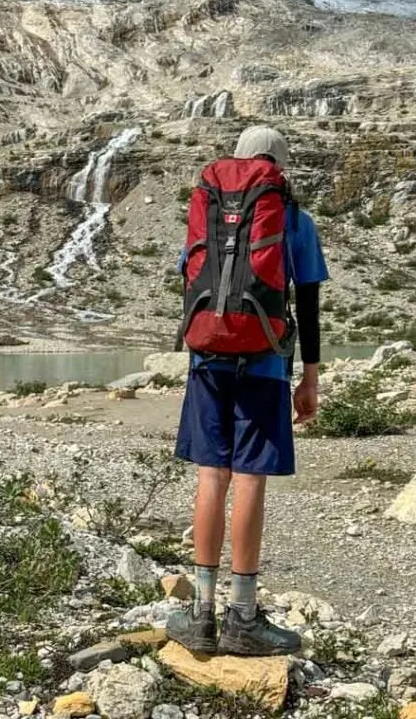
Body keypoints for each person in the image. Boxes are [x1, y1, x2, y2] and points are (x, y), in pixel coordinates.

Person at [167, 126, 328, 656]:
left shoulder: (208, 208)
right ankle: (243, 616)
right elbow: (306, 303)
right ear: (279, 167)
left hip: (206, 359)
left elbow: (189, 280)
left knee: (211, 475)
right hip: (263, 362)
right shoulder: (293, 219)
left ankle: (199, 615)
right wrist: (310, 377)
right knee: (250, 479)